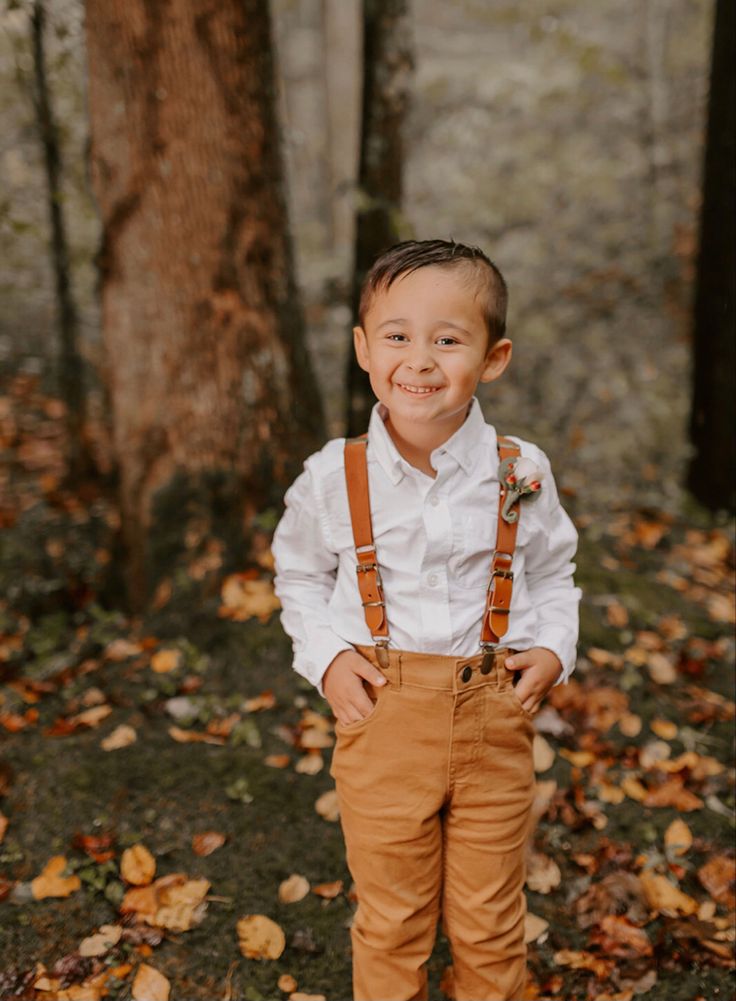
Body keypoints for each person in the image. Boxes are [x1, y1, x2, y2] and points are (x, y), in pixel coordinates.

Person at [272, 239, 581, 1001]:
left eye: (448, 339)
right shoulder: (331, 475)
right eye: (397, 335)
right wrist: (328, 658)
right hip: (383, 718)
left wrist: (552, 645)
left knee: (489, 918)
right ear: (363, 349)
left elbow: (551, 571)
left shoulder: (522, 470)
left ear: (494, 356)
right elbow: (301, 573)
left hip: (495, 719)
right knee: (393, 915)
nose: (419, 358)